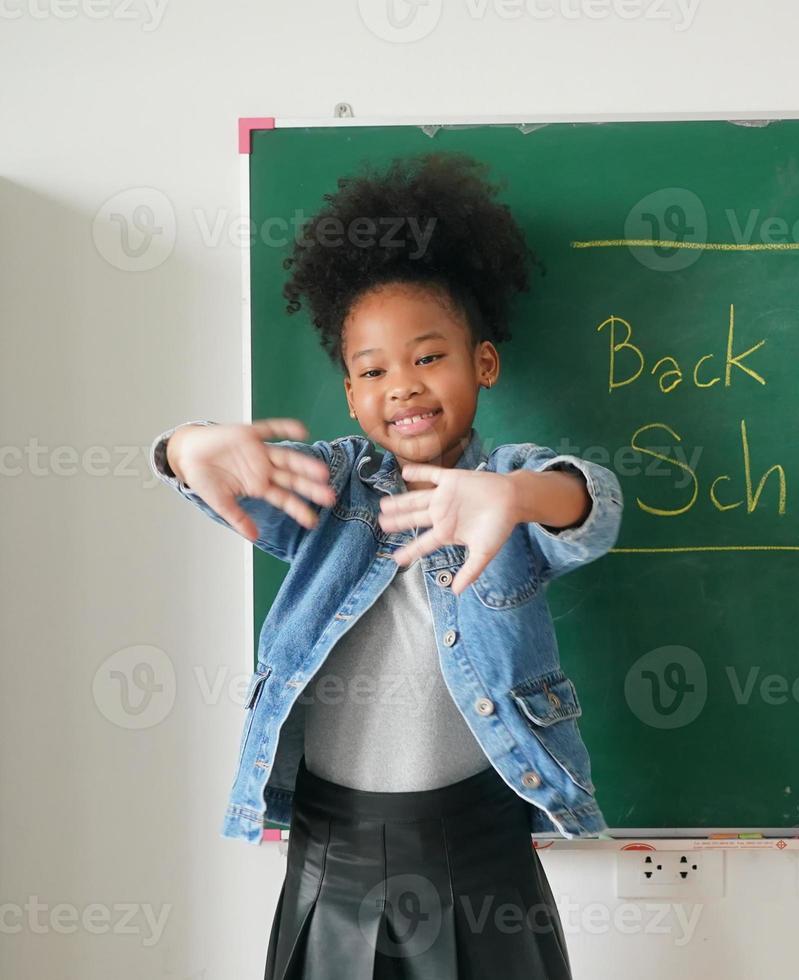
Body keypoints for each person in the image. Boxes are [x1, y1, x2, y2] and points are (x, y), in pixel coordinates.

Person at [150, 152, 624, 979]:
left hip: (483, 847)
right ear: (349, 393)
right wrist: (187, 446)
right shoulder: (327, 486)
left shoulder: (508, 481)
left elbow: (588, 504)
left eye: (428, 357)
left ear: (483, 363)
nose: (402, 385)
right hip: (332, 851)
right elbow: (209, 475)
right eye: (373, 370)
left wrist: (514, 495)